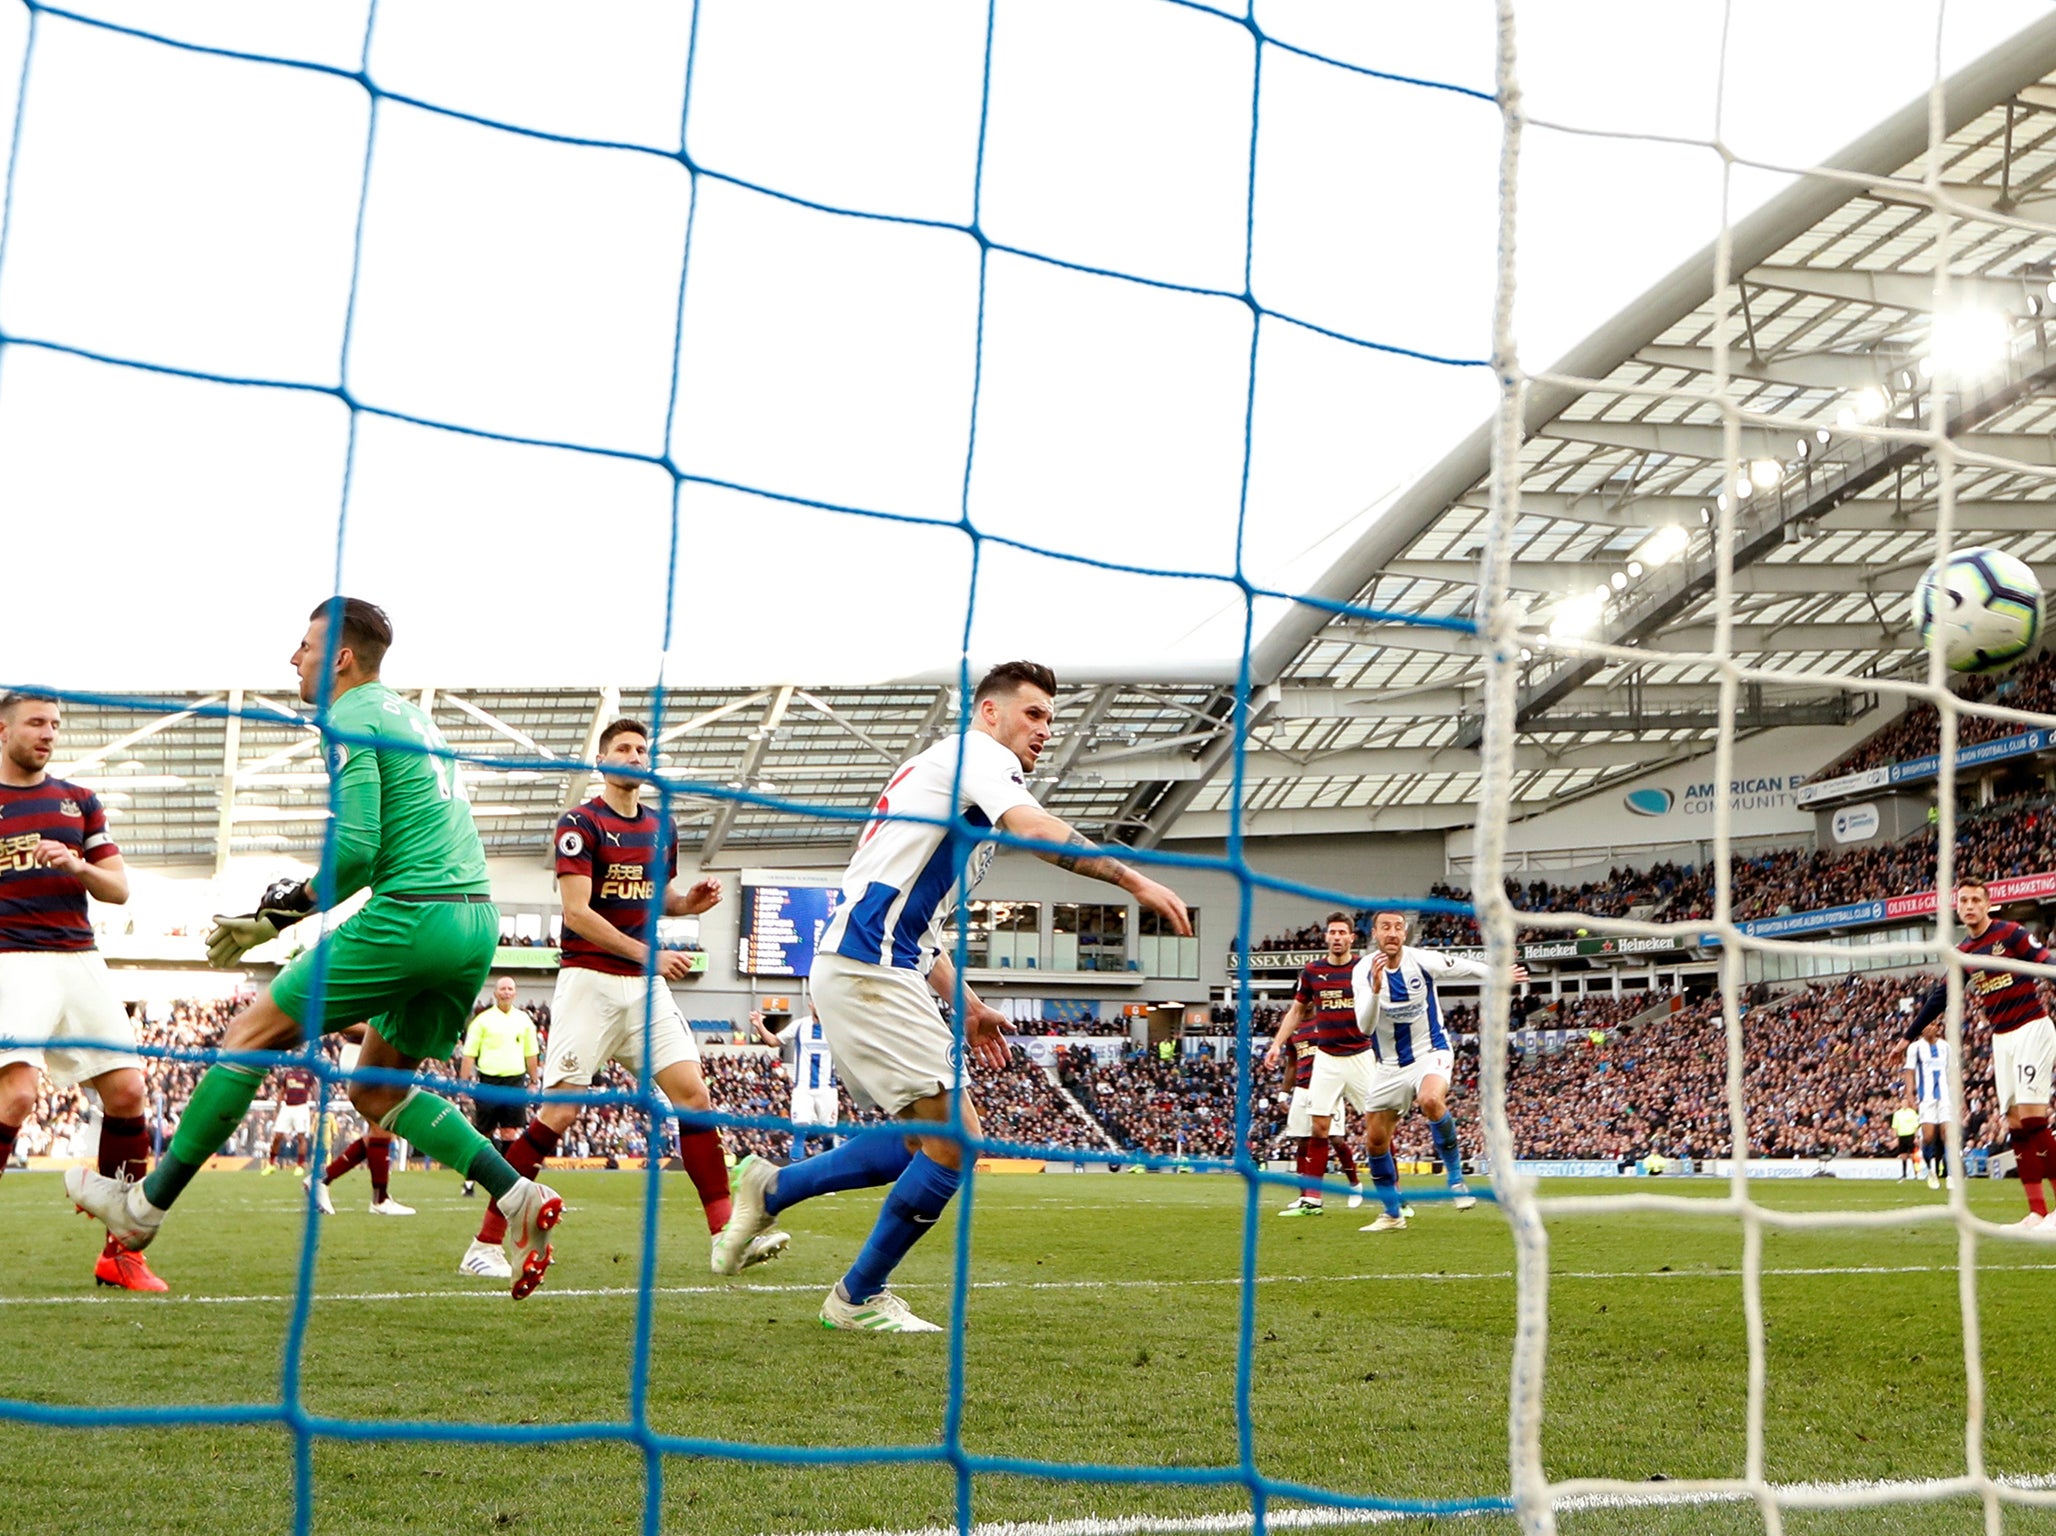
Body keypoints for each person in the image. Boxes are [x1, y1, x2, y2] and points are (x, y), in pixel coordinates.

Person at [65, 598, 563, 1296]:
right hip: (475, 924)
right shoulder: (415, 718)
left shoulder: (350, 717)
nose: (291, 658)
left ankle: (143, 1212)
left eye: (302, 646)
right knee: (375, 1088)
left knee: (248, 1036)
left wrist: (280, 914)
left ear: (340, 658)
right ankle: (518, 1196)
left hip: (413, 916)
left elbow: (357, 851)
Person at [716, 661, 1193, 1331]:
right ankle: (856, 1298)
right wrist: (1132, 879)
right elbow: (1034, 829)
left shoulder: (948, 792)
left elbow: (926, 935)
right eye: (1034, 714)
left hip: (870, 966)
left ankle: (774, 1186)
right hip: (867, 968)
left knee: (922, 1141)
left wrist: (966, 1004)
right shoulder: (976, 754)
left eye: (1052, 719)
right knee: (955, 1139)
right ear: (989, 712)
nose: (1044, 731)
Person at [456, 716, 782, 1282]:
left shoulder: (662, 828)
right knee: (558, 1113)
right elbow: (578, 912)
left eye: (642, 749)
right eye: (624, 749)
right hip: (590, 981)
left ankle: (726, 1235)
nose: (635, 757)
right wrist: (649, 954)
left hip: (644, 988)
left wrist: (687, 904)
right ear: (603, 761)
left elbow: (658, 898)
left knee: (695, 1098)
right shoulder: (580, 825)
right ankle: (484, 1243)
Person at [0, 690, 167, 1292]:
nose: (48, 733)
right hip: (9, 959)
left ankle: (120, 1252)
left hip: (79, 958)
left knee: (128, 1092)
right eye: (36, 723)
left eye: (55, 724)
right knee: (16, 1098)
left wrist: (77, 867)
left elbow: (118, 889)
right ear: (3, 730)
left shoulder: (78, 801)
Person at [1351, 910, 1526, 1232]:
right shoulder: (1363, 970)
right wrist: (1376, 990)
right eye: (1385, 927)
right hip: (1388, 1065)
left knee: (1430, 1099)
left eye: (1398, 928)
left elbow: (1463, 967)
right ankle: (1392, 1214)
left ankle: (1456, 1179)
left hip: (1430, 1051)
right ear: (1374, 933)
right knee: (1375, 1141)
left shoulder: (1421, 961)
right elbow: (1364, 1026)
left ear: (1405, 934)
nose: (1392, 933)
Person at [1903, 876, 2056, 1228]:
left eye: (1976, 900)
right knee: (2016, 1125)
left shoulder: (2011, 933)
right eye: (1964, 900)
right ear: (1959, 908)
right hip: (2001, 1038)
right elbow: (1940, 997)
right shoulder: (1964, 953)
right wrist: (1907, 1037)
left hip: (2032, 1027)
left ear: (1988, 905)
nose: (1970, 905)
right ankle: (2037, 1211)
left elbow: (2045, 962)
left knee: (2033, 1119)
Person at [1260, 913, 1365, 1215]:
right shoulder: (1310, 979)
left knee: (1355, 1132)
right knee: (1306, 1140)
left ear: (1350, 937)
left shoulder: (1359, 970)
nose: (1336, 936)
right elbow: (1291, 1061)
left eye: (1341, 932)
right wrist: (1277, 1048)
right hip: (1307, 1086)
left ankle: (1362, 1185)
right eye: (1332, 931)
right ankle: (1309, 1197)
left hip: (1350, 1062)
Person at [307, 1023, 410, 1215]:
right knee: (382, 1127)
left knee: (380, 1130)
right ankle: (380, 1200)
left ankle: (322, 1179)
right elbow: (346, 1024)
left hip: (374, 1055)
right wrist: (382, 1033)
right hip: (361, 1054)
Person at [455, 977, 538, 1197]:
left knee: (510, 1132)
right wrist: (463, 1084)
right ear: (495, 993)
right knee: (483, 1134)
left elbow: (531, 1053)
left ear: (515, 993)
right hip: (488, 1082)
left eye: (510, 988)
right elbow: (469, 1054)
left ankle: (508, 1182)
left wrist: (534, 1080)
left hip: (514, 1082)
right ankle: (470, 1182)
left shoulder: (524, 1020)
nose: (506, 992)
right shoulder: (482, 1021)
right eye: (502, 988)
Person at [752, 999, 839, 1162]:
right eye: (816, 1002)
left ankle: (829, 1182)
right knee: (799, 1133)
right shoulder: (799, 1026)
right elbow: (773, 1042)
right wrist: (759, 1025)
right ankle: (794, 1182)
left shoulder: (835, 1027)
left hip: (827, 1090)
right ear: (811, 1004)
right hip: (803, 1089)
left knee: (828, 1137)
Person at [1903, 1018, 1955, 1190]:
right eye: (1926, 1026)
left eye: (1932, 1025)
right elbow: (1909, 1071)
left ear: (1937, 1028)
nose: (1929, 1029)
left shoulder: (1945, 1047)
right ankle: (1931, 1169)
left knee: (1946, 1134)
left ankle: (1950, 1175)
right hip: (1926, 1099)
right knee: (1928, 1136)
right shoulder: (1915, 1048)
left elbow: (1952, 1072)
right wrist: (1910, 1093)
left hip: (1945, 1097)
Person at [263, 1063, 318, 1175]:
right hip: (287, 1107)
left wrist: (317, 1105)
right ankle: (271, 1164)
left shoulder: (308, 1075)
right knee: (277, 1136)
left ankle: (300, 1165)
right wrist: (277, 1108)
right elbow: (282, 1091)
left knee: (301, 1137)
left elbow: (315, 1088)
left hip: (301, 1107)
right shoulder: (288, 1074)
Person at [1890, 1101, 1920, 1182]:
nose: (1904, 1104)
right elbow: (1895, 1126)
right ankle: (1904, 1174)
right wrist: (1895, 1137)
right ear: (1901, 1104)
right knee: (1903, 1156)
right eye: (1903, 1103)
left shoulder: (1912, 1113)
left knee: (1913, 1156)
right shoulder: (1897, 1114)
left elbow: (1916, 1125)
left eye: (1906, 1103)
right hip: (1902, 1136)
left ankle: (1916, 1174)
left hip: (1910, 1135)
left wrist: (1916, 1137)